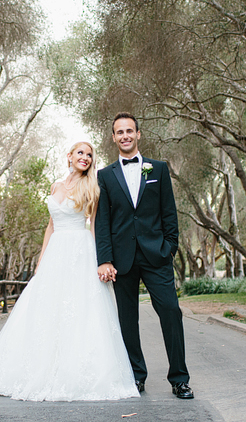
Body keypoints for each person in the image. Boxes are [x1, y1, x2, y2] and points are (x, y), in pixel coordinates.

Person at [0, 142, 139, 401]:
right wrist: (41, 260)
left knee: (79, 310)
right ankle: (37, 369)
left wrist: (103, 260)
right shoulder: (55, 186)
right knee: (46, 309)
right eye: (80, 153)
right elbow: (50, 226)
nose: (85, 157)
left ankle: (76, 372)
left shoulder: (92, 187)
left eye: (89, 155)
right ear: (69, 156)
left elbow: (97, 225)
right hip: (55, 252)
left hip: (80, 250)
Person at [95, 113, 193, 399]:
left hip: (156, 256)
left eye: (129, 130)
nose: (125, 135)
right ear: (113, 138)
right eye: (119, 132)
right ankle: (136, 376)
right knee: (128, 320)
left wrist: (169, 248)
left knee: (171, 312)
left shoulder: (158, 170)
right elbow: (103, 222)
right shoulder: (105, 175)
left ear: (139, 134)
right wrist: (105, 259)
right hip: (122, 260)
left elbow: (169, 215)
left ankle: (179, 379)